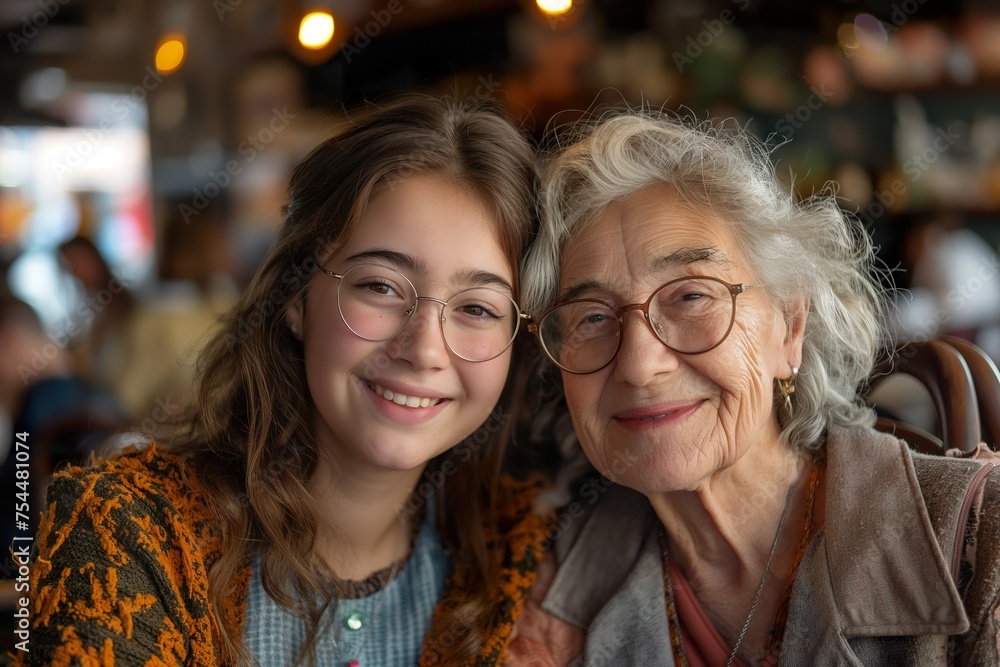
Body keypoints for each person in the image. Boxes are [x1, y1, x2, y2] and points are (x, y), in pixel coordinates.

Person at [20, 95, 549, 666]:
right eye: (380, 286)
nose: (423, 349)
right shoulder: (129, 530)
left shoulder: (523, 550)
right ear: (296, 296)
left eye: (478, 308)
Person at [510, 111, 1000, 665]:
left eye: (692, 296)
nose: (639, 365)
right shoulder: (538, 588)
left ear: (789, 328)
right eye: (592, 317)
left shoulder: (985, 545)